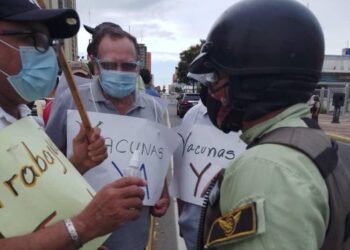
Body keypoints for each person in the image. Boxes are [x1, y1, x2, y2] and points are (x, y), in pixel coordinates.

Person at [188, 0, 341, 249]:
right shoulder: (315, 142)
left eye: (217, 78)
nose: (212, 93)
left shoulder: (265, 169)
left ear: (252, 81)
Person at [0, 0, 146, 249]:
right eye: (32, 38)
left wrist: (78, 163)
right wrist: (83, 227)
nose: (46, 54)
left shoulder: (27, 120)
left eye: (49, 44)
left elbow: (27, 201)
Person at [46, 25, 170, 249]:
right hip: (84, 240)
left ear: (137, 67)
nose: (120, 71)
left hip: (135, 237)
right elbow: (48, 164)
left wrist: (162, 193)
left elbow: (157, 161)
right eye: (111, 65)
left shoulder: (153, 107)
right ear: (96, 66)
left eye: (128, 66)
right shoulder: (71, 101)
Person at [173, 84, 246, 250]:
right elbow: (181, 170)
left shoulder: (252, 117)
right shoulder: (192, 116)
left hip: (234, 230)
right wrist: (181, 215)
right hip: (194, 228)